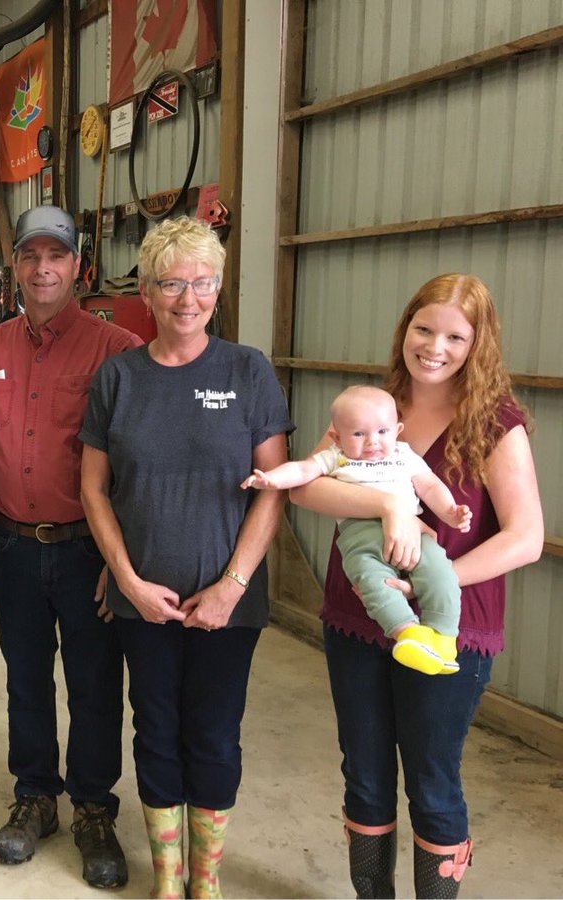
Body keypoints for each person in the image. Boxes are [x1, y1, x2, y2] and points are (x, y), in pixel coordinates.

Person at [288, 273, 543, 899]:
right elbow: (307, 486)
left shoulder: (495, 422)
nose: (434, 347)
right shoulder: (377, 406)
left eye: (455, 337)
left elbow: (526, 538)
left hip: (448, 624)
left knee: (432, 779)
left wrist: (435, 581)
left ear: (478, 345)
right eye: (424, 329)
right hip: (357, 615)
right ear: (405, 328)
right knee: (365, 772)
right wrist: (389, 507)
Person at [78, 216, 290, 899]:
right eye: (171, 283)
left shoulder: (247, 371)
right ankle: (169, 881)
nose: (187, 298)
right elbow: (93, 489)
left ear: (218, 289)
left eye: (202, 283)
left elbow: (273, 489)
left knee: (215, 734)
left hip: (228, 603)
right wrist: (127, 580)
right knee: (156, 729)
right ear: (146, 291)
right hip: (144, 602)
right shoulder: (119, 377)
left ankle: (206, 880)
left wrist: (232, 585)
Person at [0, 205, 141, 887]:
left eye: (57, 255)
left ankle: (94, 808)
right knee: (25, 678)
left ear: (78, 265)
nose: (43, 268)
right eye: (30, 255)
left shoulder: (117, 349)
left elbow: (136, 466)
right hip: (14, 547)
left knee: (95, 684)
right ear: (15, 266)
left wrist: (119, 559)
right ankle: (36, 796)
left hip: (86, 553)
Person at [243, 384, 473, 675]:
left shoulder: (404, 455)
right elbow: (302, 471)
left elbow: (429, 485)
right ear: (337, 437)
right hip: (360, 535)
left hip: (413, 533)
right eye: (358, 434)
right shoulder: (336, 456)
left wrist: (450, 511)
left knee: (440, 571)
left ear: (398, 430)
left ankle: (443, 637)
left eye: (382, 431)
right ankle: (408, 633)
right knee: (372, 581)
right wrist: (271, 479)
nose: (372, 442)